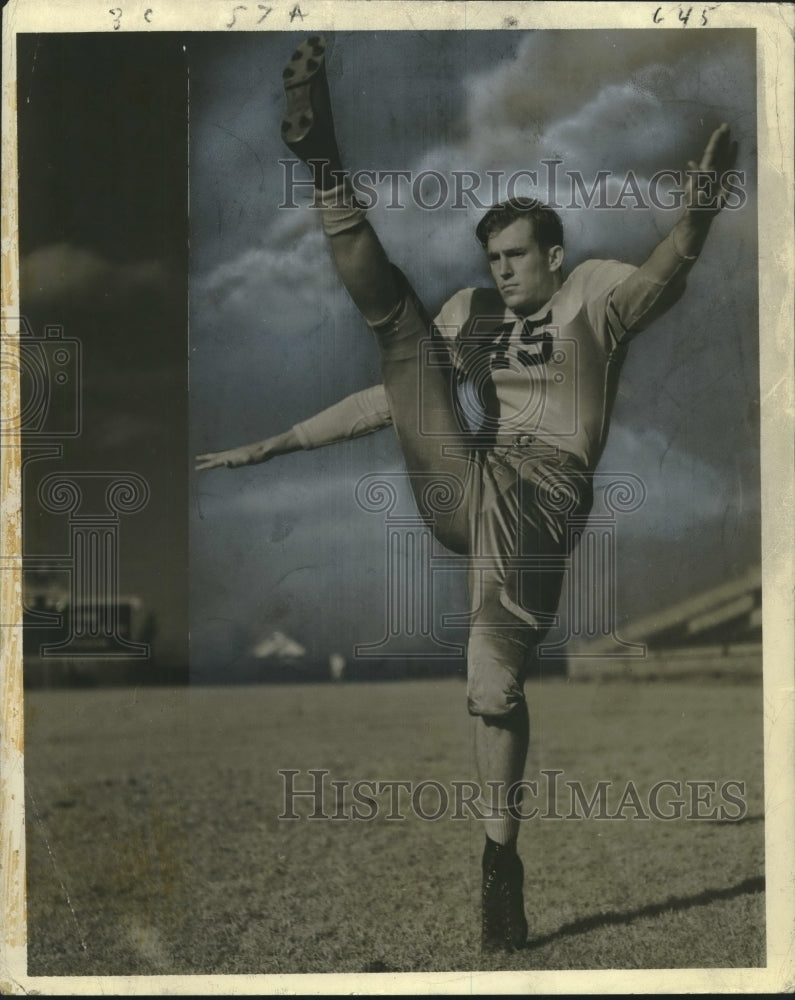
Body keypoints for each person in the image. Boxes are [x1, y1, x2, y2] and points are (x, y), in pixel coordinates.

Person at [197, 34, 738, 954]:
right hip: (466, 479)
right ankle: (324, 164)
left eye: (518, 256)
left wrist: (696, 212)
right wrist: (276, 444)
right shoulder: (469, 312)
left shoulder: (594, 297)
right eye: (492, 258)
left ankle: (499, 861)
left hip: (540, 500)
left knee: (490, 691)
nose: (502, 271)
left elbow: (667, 271)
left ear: (555, 256)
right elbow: (395, 397)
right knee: (403, 327)